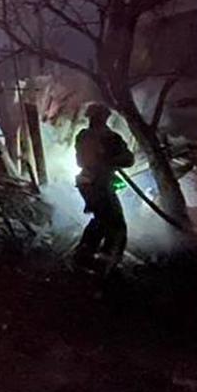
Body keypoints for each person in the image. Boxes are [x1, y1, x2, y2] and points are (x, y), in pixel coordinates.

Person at [73, 104, 134, 273]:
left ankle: (83, 256)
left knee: (101, 220)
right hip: (101, 184)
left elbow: (80, 162)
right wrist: (111, 160)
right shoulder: (110, 137)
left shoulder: (83, 135)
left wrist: (106, 160)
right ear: (105, 117)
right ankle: (107, 261)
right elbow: (129, 160)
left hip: (85, 183)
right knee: (116, 225)